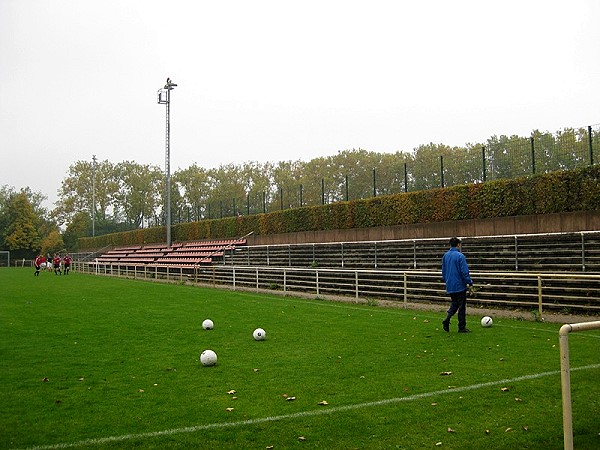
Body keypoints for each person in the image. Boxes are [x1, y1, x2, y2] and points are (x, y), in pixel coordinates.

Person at [441, 237, 473, 333]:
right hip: (459, 284)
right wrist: (469, 282)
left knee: (455, 303)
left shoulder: (445, 256)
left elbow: (443, 271)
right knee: (461, 306)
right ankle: (461, 326)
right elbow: (464, 271)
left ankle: (448, 318)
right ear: (458, 244)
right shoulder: (460, 256)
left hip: (450, 284)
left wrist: (447, 280)